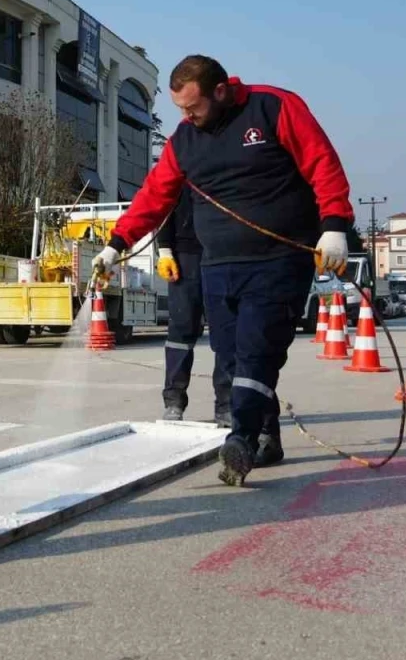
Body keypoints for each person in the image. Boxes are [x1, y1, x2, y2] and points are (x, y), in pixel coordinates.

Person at [94, 56, 353, 486]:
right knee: (231, 359)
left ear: (219, 91)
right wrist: (115, 245)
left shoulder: (273, 108)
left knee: (256, 351)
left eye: (192, 107)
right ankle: (267, 432)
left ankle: (242, 440)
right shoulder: (184, 140)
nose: (186, 117)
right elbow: (154, 196)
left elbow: (322, 164)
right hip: (218, 265)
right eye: (179, 109)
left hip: (278, 259)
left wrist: (334, 227)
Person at [155, 187, 230, 426]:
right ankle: (174, 402)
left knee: (225, 330)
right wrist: (165, 249)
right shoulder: (183, 160)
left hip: (222, 253)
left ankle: (226, 405)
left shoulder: (226, 164)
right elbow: (163, 205)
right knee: (181, 329)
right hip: (184, 255)